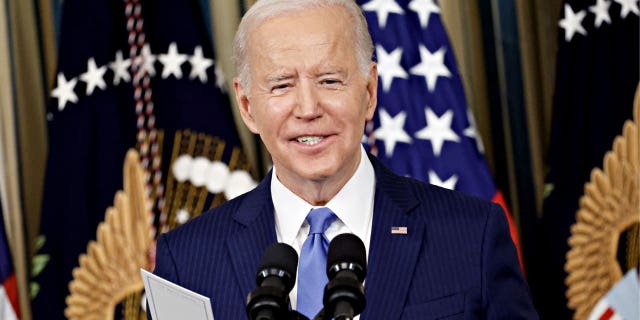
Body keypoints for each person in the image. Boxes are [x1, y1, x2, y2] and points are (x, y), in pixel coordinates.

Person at [151, 0, 539, 319]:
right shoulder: (184, 263)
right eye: (282, 85)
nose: (307, 108)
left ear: (369, 91)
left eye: (330, 80)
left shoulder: (473, 235)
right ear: (248, 105)